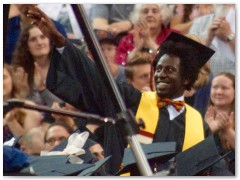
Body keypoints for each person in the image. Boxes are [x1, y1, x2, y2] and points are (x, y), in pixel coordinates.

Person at [27, 7, 232, 175]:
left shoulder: (198, 121)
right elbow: (97, 79)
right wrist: (62, 43)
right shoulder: (131, 100)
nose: (160, 74)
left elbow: (214, 168)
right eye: (158, 68)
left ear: (187, 78)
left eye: (169, 70)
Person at [12, 24, 63, 106]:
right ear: (27, 46)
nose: (39, 42)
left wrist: (42, 89)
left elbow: (66, 108)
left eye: (43, 37)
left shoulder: (65, 66)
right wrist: (23, 93)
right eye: (33, 40)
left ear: (50, 41)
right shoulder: (21, 73)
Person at [188, 4, 235, 76]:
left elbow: (229, 37)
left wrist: (228, 36)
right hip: (203, 80)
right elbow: (190, 58)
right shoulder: (200, 22)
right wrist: (208, 38)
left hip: (233, 79)